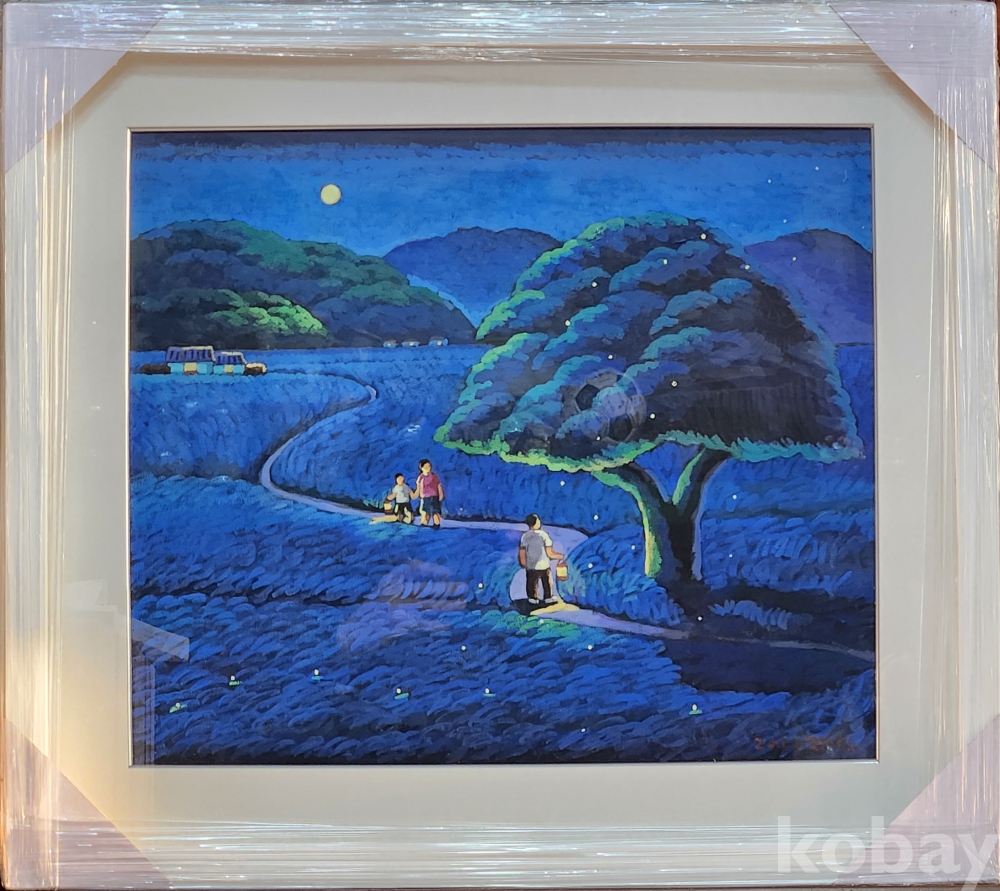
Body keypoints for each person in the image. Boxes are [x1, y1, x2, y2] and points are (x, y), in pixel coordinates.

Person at [518, 513, 563, 611]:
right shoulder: (544, 535)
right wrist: (559, 556)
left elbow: (522, 551)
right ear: (536, 523)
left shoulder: (525, 536)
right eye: (538, 520)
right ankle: (548, 597)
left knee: (531, 582)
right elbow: (549, 553)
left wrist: (523, 563)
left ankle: (533, 598)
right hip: (543, 565)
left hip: (531, 566)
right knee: (547, 582)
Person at [415, 459, 445, 529]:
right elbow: (418, 487)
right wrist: (417, 495)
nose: (428, 468)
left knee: (435, 512)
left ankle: (436, 524)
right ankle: (424, 525)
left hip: (434, 497)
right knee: (426, 512)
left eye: (429, 466)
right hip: (425, 498)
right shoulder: (420, 477)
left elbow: (439, 486)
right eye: (426, 467)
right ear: (421, 468)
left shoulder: (434, 476)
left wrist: (441, 494)